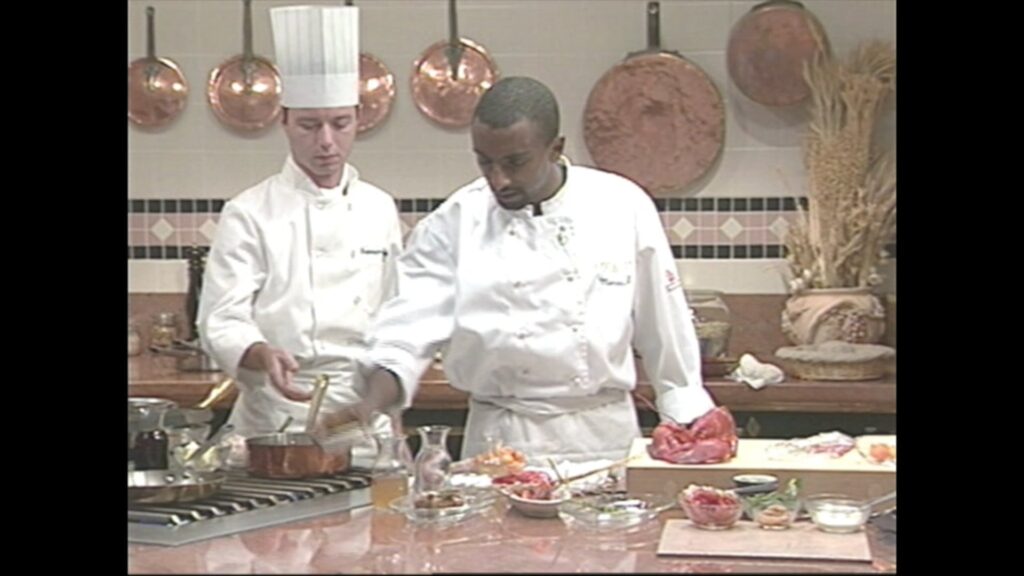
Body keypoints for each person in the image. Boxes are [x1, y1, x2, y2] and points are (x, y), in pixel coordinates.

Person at [329, 76, 717, 463]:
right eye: (485, 162)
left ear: (555, 149)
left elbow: (665, 329)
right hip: (500, 443)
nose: (499, 180)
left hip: (604, 440)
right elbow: (406, 331)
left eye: (515, 162)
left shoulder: (622, 206)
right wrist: (369, 403)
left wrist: (689, 422)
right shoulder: (455, 223)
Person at [198, 5, 401, 450]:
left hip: (360, 415)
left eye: (340, 123)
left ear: (358, 119)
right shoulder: (249, 212)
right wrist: (259, 353)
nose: (326, 141)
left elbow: (396, 319)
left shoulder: (380, 208)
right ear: (285, 121)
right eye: (310, 125)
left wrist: (393, 420)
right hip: (275, 418)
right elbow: (220, 318)